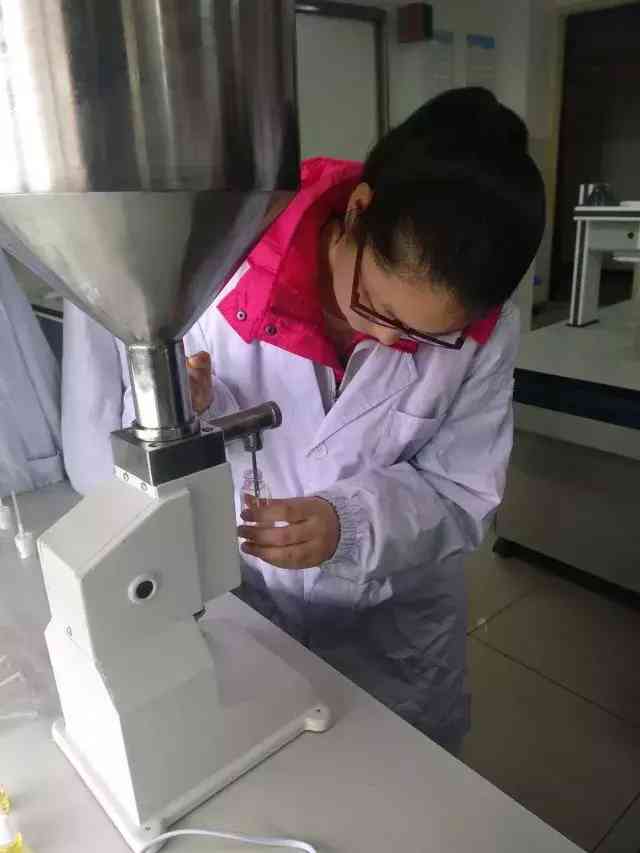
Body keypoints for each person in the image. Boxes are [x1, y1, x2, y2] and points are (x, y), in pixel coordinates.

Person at [62, 88, 545, 753]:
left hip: (394, 630)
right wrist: (185, 405)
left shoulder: (485, 332)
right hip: (254, 602)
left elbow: (462, 493)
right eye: (375, 304)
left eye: (424, 336)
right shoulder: (228, 257)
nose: (385, 339)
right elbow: (146, 438)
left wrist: (351, 523)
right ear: (358, 209)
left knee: (405, 784)